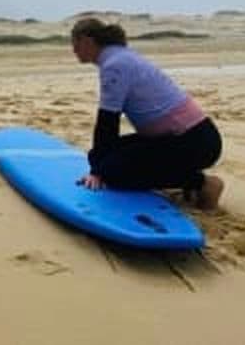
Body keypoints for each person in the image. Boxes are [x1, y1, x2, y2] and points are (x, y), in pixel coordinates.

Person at [71, 18, 223, 209]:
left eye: (75, 43)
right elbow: (106, 132)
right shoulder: (120, 56)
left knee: (113, 171)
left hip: (194, 142)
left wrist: (99, 172)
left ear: (86, 40)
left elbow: (107, 122)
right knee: (101, 156)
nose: (73, 50)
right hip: (184, 138)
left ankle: (202, 184)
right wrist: (100, 164)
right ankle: (187, 182)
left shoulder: (114, 65)